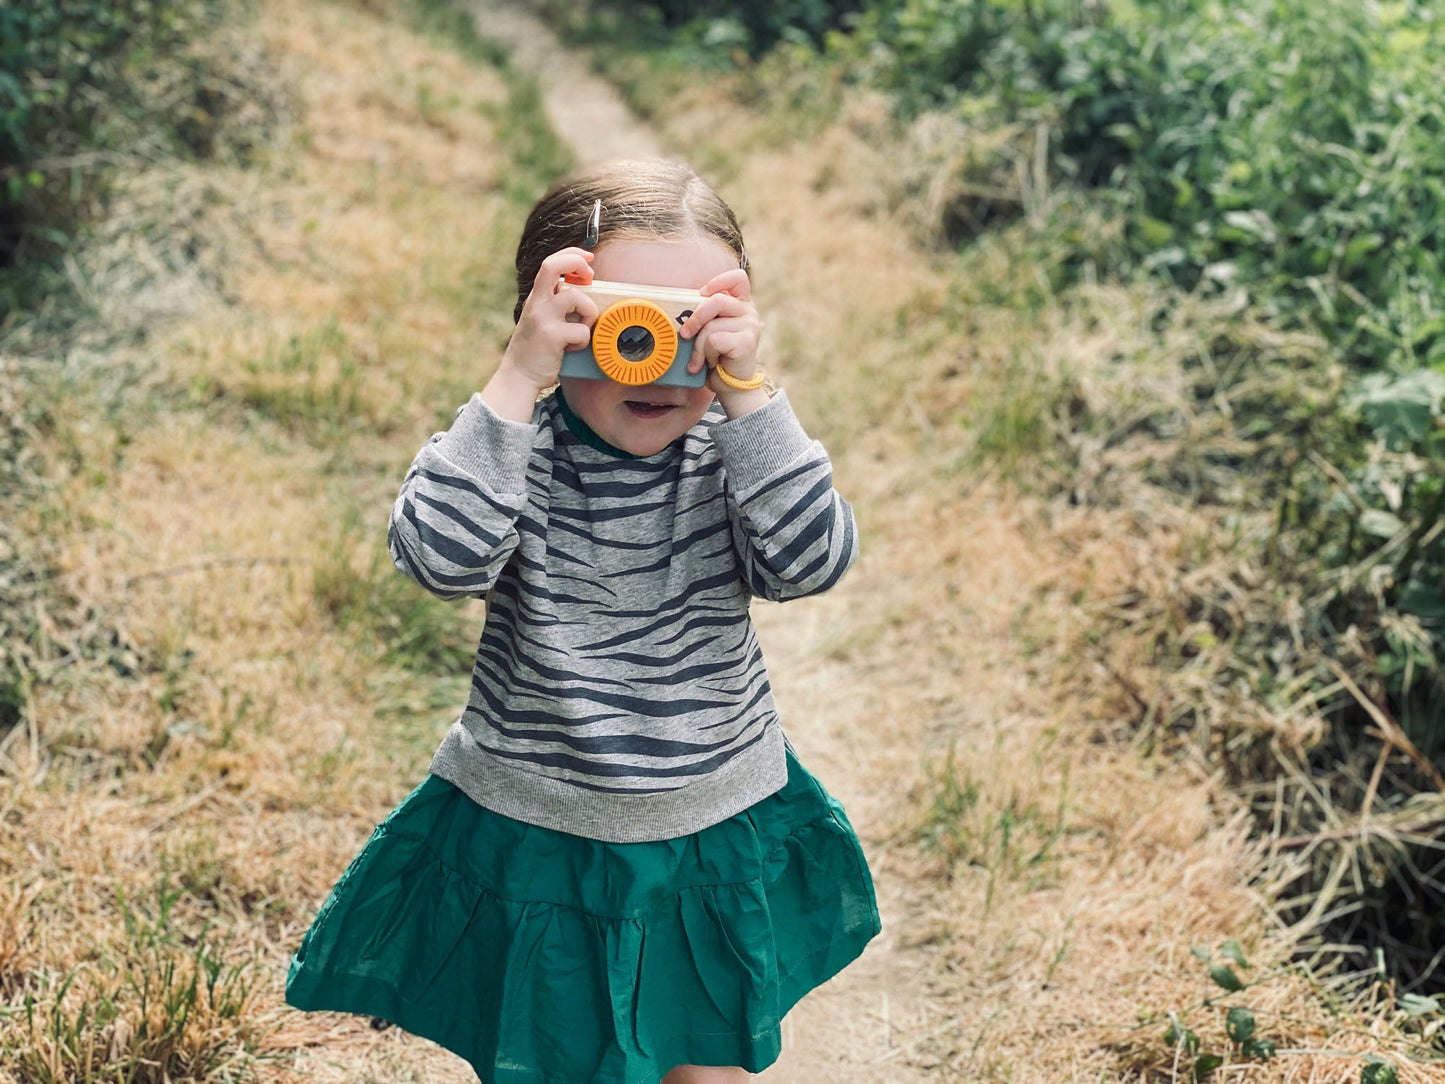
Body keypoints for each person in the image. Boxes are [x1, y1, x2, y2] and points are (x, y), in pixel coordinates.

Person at [285, 158, 880, 1084]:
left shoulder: (736, 452)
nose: (659, 354)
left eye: (692, 326)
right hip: (542, 838)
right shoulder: (511, 448)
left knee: (707, 1066)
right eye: (623, 320)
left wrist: (750, 394)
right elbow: (438, 560)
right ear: (550, 314)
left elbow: (812, 563)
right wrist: (516, 381)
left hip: (709, 827)